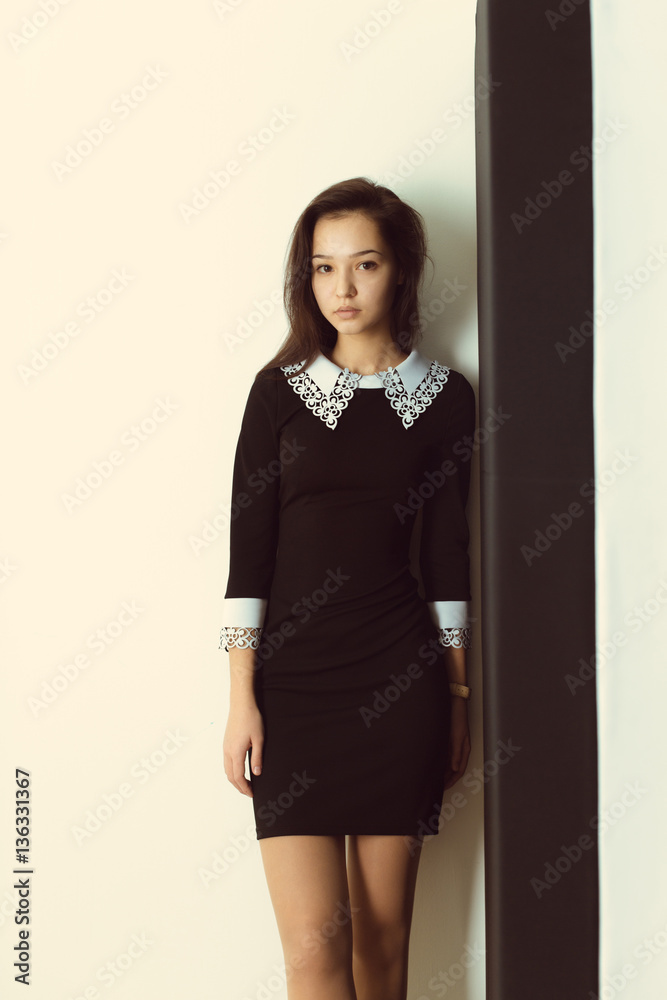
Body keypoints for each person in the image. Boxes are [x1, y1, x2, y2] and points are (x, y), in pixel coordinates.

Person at [221, 176, 475, 1000]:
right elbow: (247, 560)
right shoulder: (277, 394)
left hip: (400, 684)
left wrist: (457, 696)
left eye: (364, 264)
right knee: (312, 952)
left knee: (383, 950)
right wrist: (240, 696)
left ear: (400, 270)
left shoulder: (445, 399)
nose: (343, 287)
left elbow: (447, 559)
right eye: (323, 268)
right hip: (292, 692)